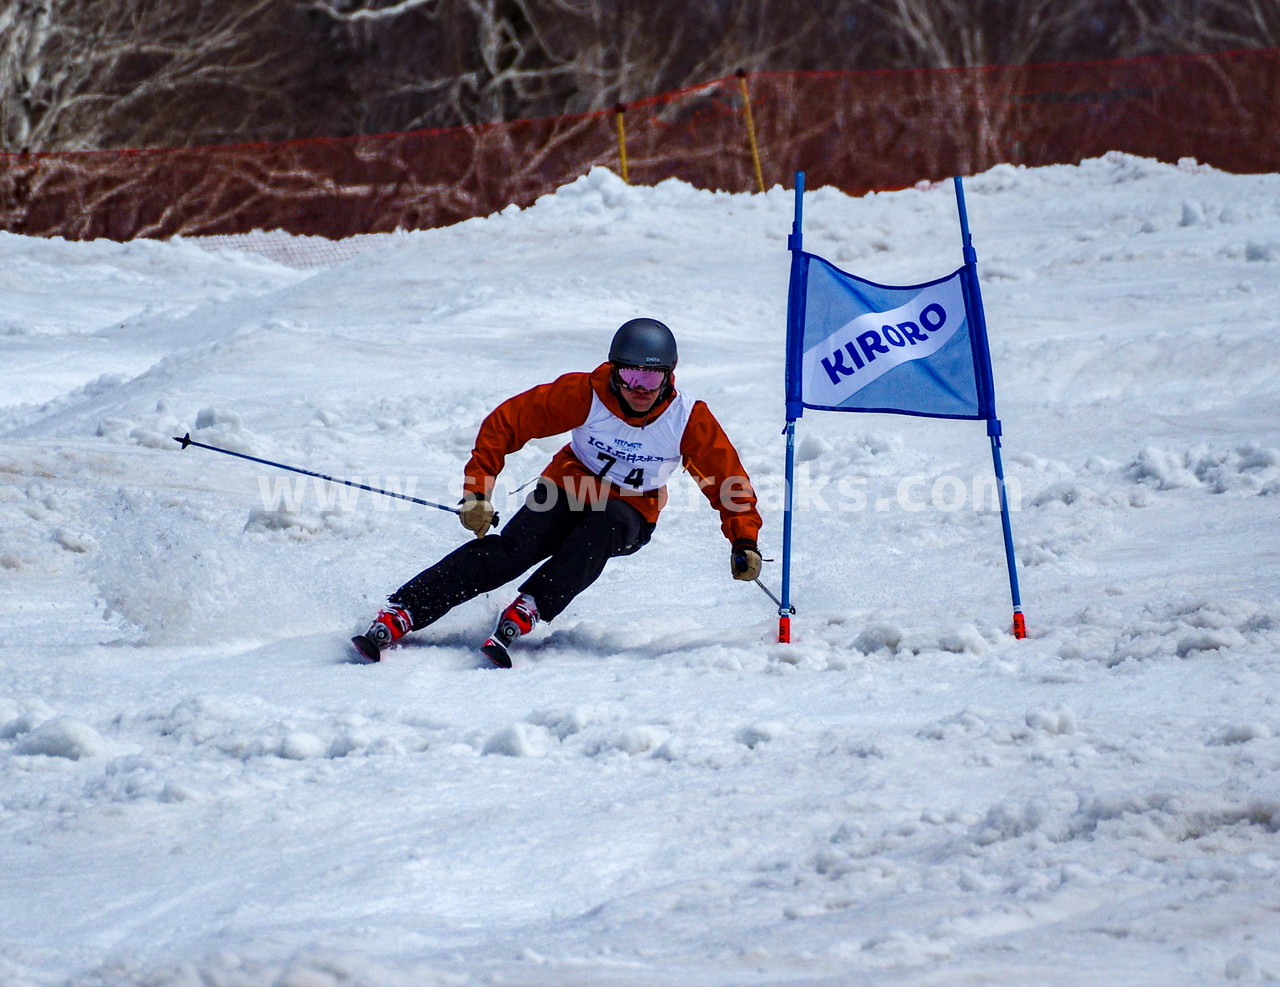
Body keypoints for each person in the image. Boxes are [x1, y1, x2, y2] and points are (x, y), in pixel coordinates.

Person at [351, 318, 763, 666]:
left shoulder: (687, 419)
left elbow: (726, 480)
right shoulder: (585, 393)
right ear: (614, 371)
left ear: (669, 375)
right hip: (566, 488)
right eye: (630, 375)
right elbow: (508, 422)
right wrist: (478, 491)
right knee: (512, 550)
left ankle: (533, 604)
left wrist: (743, 539)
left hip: (631, 509)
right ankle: (404, 609)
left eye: (652, 376)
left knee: (602, 527)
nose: (640, 387)